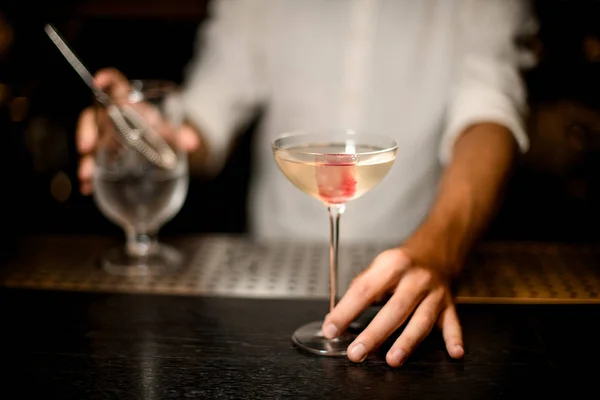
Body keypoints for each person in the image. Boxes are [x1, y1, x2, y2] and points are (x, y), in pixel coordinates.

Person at [76, 0, 537, 367]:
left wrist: (439, 249)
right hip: (267, 286)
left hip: (417, 263)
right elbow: (209, 109)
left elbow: (490, 104)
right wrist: (150, 134)